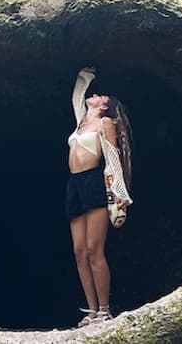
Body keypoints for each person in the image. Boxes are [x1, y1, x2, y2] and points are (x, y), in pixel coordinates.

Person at [66, 66, 132, 327]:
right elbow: (76, 98)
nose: (95, 95)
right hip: (74, 184)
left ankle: (105, 310)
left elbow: (113, 157)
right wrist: (84, 76)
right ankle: (91, 310)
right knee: (79, 251)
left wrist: (120, 192)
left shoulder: (106, 123)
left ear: (106, 105)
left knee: (95, 249)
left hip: (94, 181)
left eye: (100, 95)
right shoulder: (81, 121)